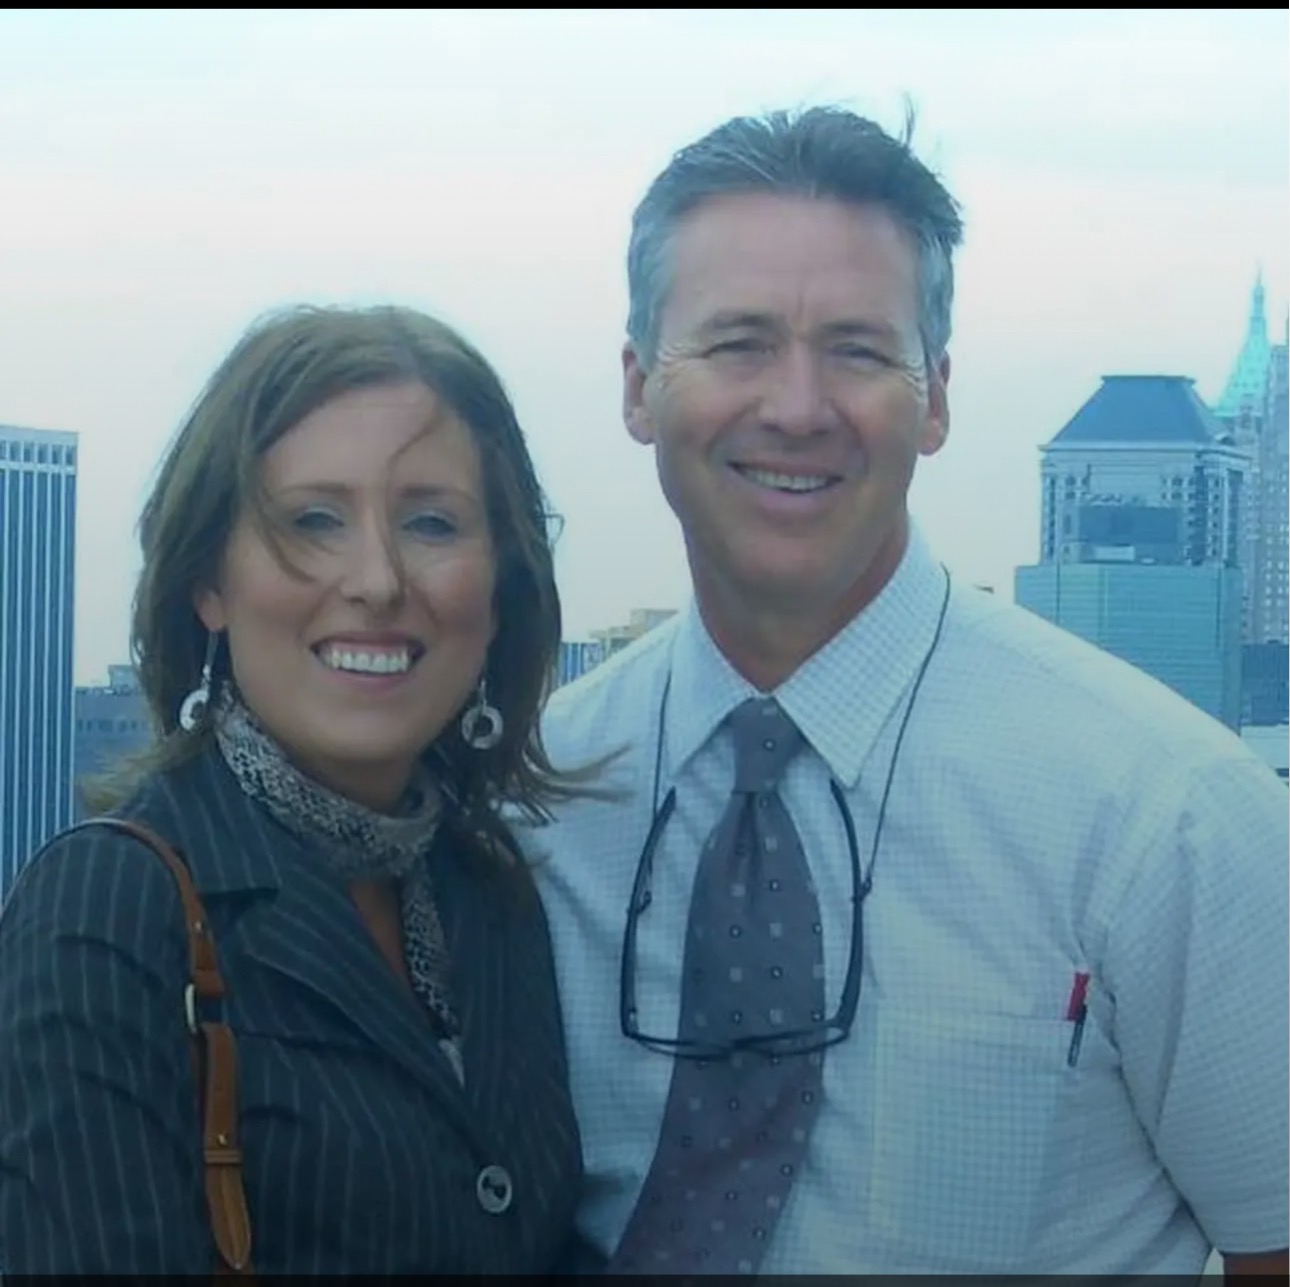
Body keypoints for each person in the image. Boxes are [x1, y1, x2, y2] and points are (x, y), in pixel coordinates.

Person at [521, 107, 1289, 1276]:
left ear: (933, 397)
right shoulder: (543, 800)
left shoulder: (1170, 822)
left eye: (857, 350)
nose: (796, 406)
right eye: (737, 343)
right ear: (638, 388)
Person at [0, 305, 584, 1274]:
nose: (378, 580)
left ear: (500, 589)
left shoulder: (493, 888)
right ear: (209, 583)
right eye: (313, 520)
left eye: (431, 523)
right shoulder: (110, 907)